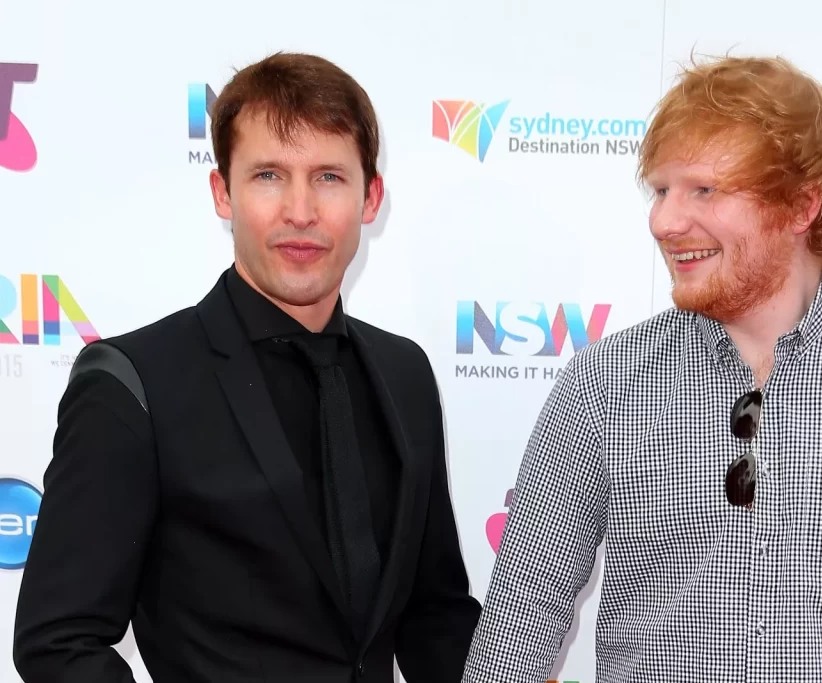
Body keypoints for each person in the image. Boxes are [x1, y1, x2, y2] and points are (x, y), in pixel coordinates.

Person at [461, 55, 822, 683]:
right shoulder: (604, 381)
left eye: (704, 190)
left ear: (801, 205)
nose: (664, 222)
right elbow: (519, 627)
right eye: (661, 190)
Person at [13, 52, 481, 683]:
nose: (300, 211)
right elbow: (58, 642)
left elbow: (436, 618)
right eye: (267, 175)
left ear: (370, 197)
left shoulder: (405, 374)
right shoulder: (133, 382)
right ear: (221, 192)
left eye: (328, 177)